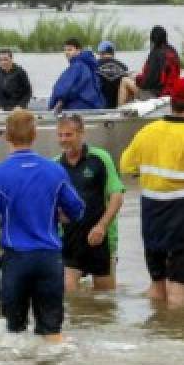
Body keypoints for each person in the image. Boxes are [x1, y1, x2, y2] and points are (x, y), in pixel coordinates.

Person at [0, 109, 85, 342]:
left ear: (6, 136)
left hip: (17, 260)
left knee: (13, 334)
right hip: (49, 259)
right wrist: (58, 214)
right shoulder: (55, 170)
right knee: (52, 332)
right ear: (35, 134)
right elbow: (77, 210)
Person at [120, 77, 184, 308]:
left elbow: (126, 166)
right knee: (178, 295)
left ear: (171, 102)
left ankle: (156, 332)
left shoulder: (147, 131)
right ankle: (175, 340)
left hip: (152, 219)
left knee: (157, 289)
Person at [56, 114, 125, 292]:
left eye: (68, 135)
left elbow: (117, 196)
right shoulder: (55, 166)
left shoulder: (100, 158)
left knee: (105, 299)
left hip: (100, 237)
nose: (64, 140)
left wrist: (102, 226)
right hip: (69, 239)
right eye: (60, 135)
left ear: (81, 133)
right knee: (67, 293)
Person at [48, 38, 105, 111]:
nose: (66, 52)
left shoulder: (77, 66)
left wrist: (52, 106)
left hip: (79, 106)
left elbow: (63, 89)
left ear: (78, 51)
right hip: (93, 105)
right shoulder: (89, 65)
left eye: (70, 50)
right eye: (65, 50)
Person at [135, 25, 181, 99]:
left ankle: (120, 110)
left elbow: (148, 82)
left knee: (125, 82)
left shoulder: (155, 54)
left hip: (157, 93)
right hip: (172, 91)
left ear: (152, 39)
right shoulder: (173, 51)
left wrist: (136, 79)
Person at [95, 40, 138, 108]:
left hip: (100, 108)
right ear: (113, 52)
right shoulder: (123, 67)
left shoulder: (94, 65)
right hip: (118, 108)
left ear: (100, 53)